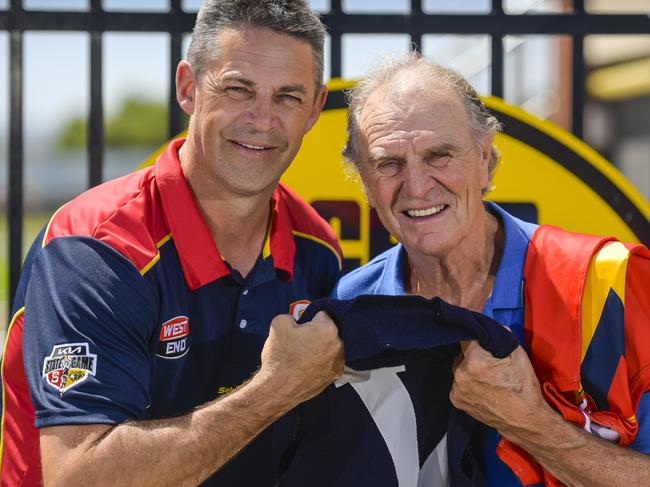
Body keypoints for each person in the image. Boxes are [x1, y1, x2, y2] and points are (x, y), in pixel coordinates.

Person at [0, 1, 345, 485]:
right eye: (237, 88)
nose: (262, 119)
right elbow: (78, 477)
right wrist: (276, 388)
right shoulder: (98, 247)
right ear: (188, 87)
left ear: (313, 109)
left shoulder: (318, 247)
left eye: (288, 97)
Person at [334, 51, 650, 486]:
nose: (418, 185)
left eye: (439, 155)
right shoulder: (354, 305)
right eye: (389, 164)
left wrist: (532, 426)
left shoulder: (609, 285)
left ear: (485, 158)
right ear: (365, 182)